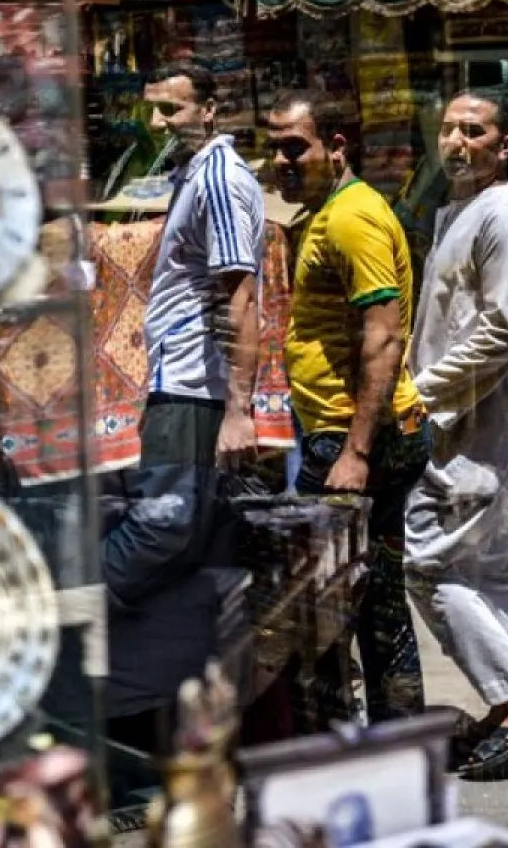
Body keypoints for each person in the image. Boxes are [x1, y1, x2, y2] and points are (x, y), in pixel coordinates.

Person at [101, 61, 264, 752]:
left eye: (173, 110)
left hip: (195, 385)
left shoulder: (222, 180)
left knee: (163, 523)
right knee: (187, 533)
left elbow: (241, 294)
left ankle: (78, 616)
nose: (160, 123)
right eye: (153, 111)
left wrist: (237, 408)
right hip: (178, 378)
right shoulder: (192, 174)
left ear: (211, 108)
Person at [403, 90, 508, 777]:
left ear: (505, 144)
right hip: (462, 419)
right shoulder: (463, 212)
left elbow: (503, 330)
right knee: (487, 565)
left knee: (425, 559)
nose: (457, 141)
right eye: (449, 129)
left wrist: (422, 391)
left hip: (477, 423)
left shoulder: (506, 219)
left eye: (474, 130)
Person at [266, 90, 429, 724]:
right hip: (357, 435)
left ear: (336, 147)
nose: (282, 160)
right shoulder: (329, 211)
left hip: (351, 441)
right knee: (375, 596)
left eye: (295, 147)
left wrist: (356, 451)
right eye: (273, 147)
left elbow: (383, 335)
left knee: (315, 602)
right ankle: (398, 730)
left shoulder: (351, 218)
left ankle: (327, 736)